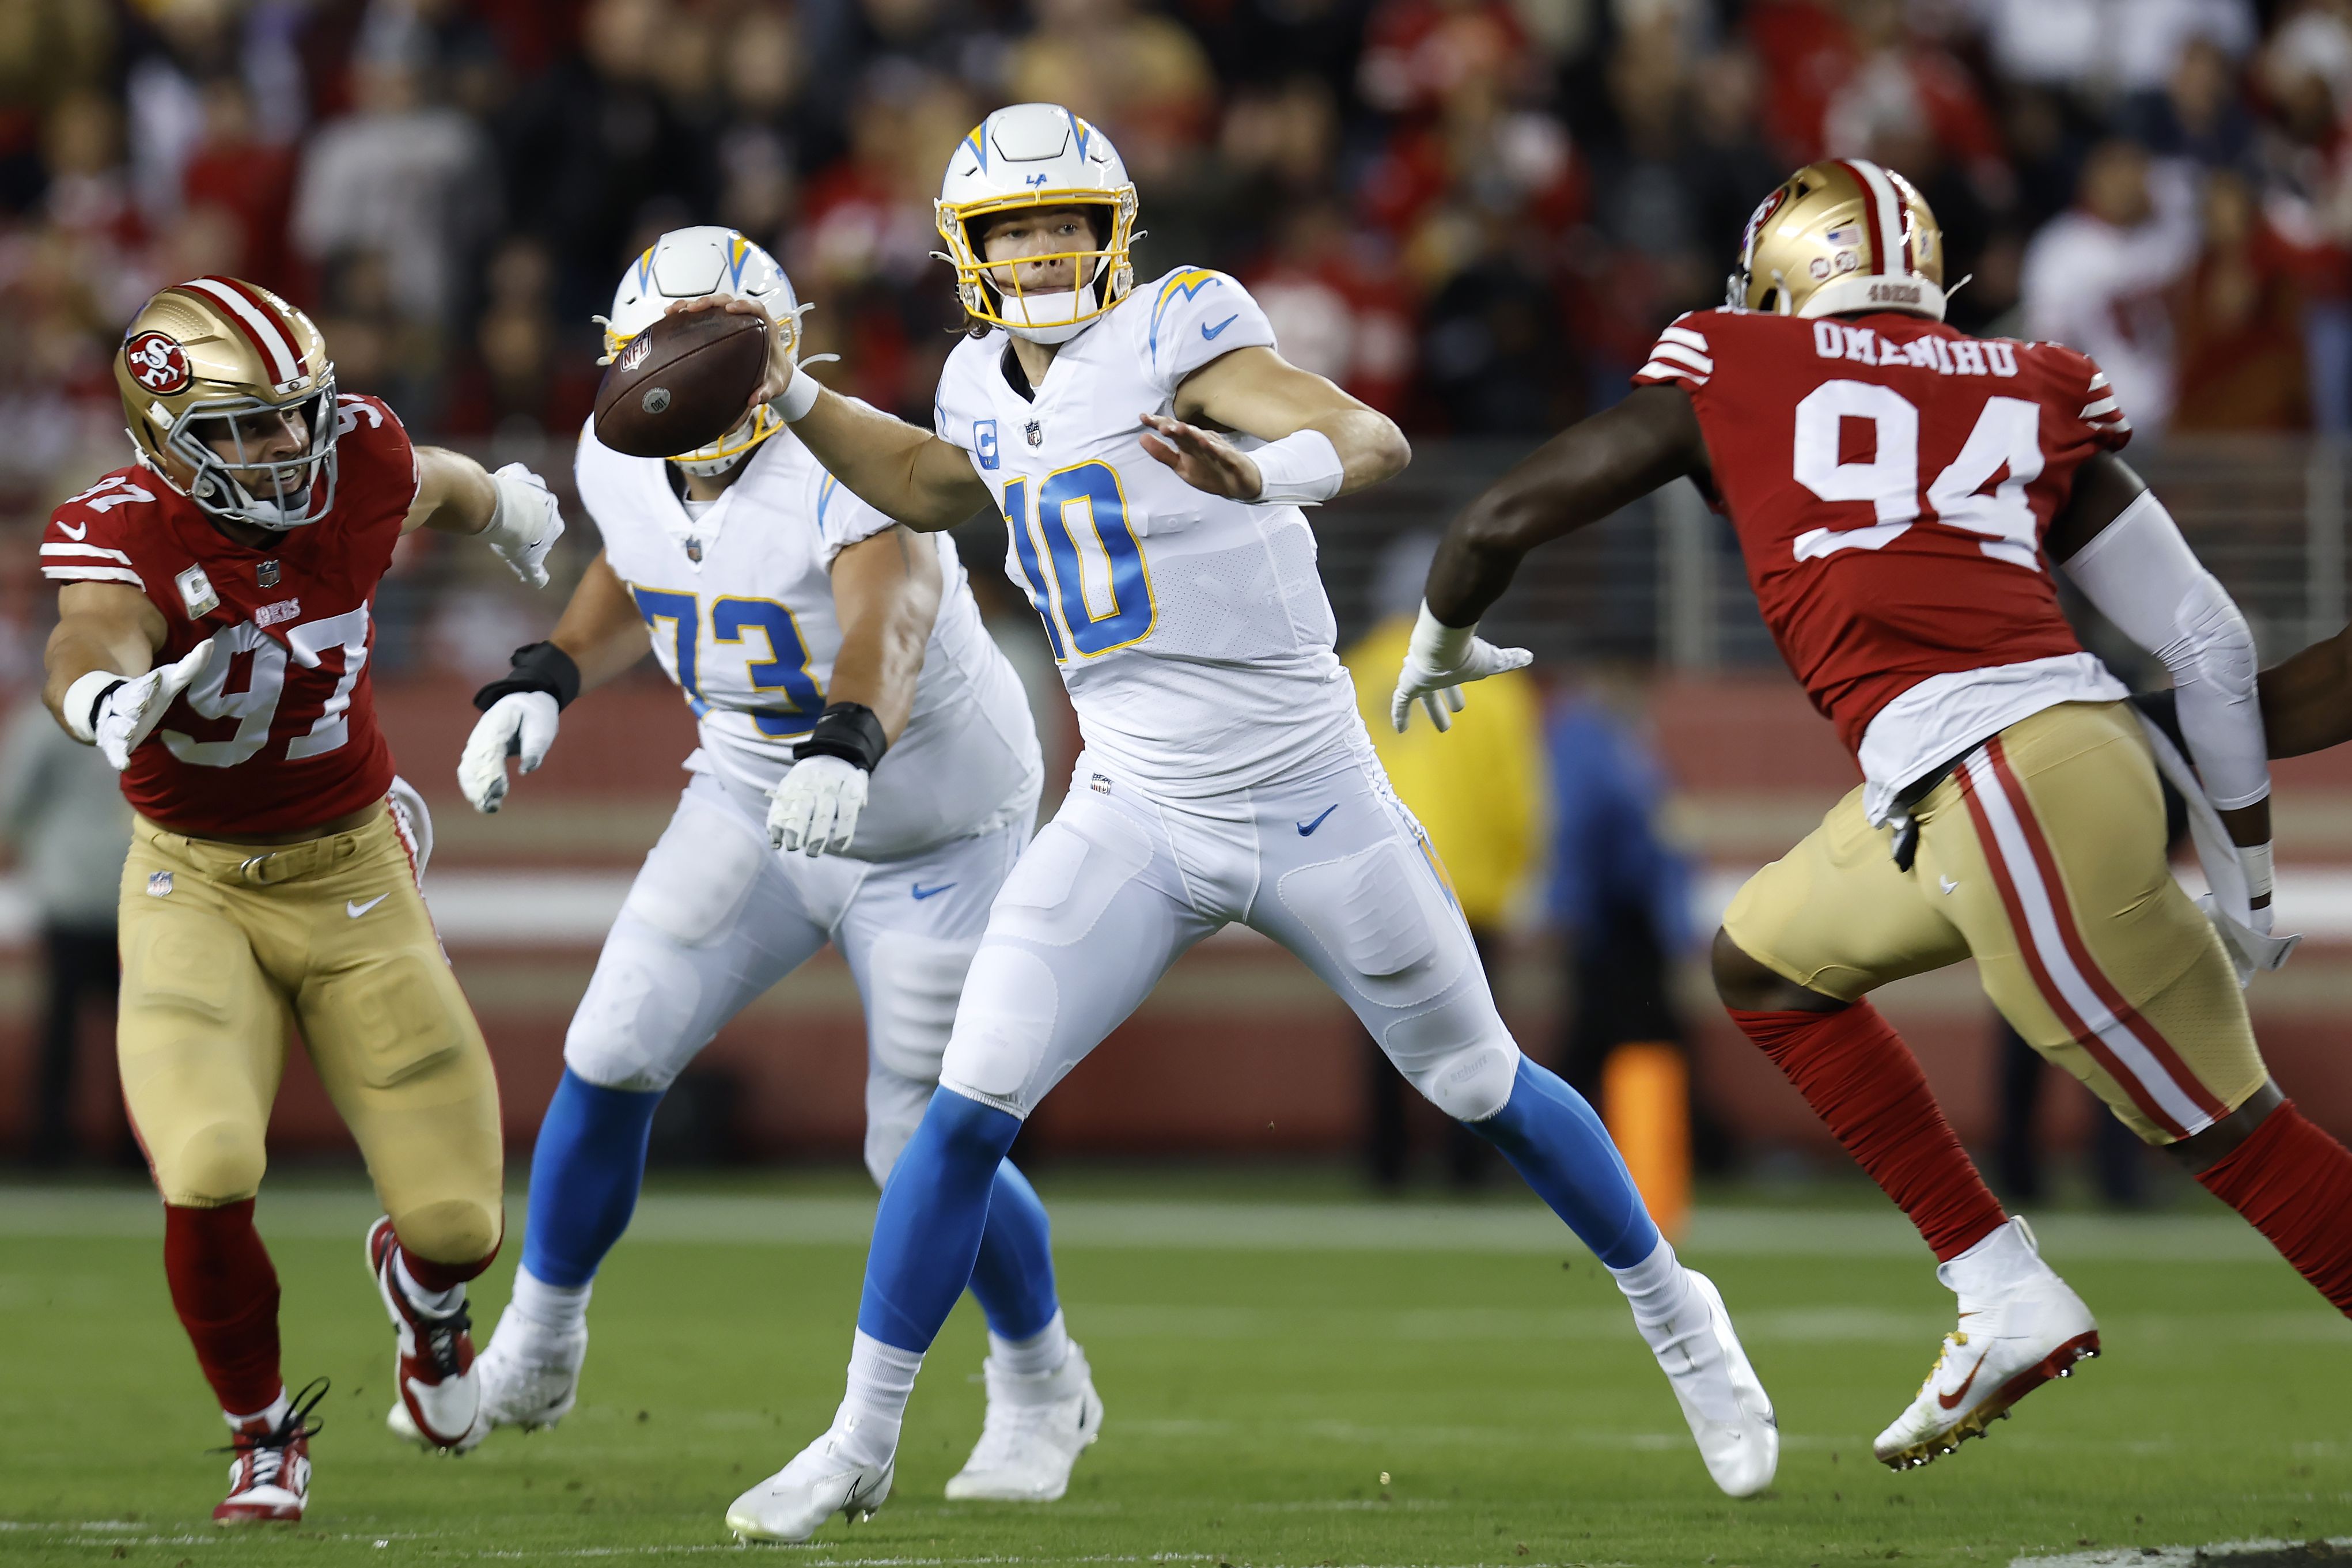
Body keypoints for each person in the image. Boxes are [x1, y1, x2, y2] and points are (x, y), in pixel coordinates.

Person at [709, 103, 1777, 1543]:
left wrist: (1259, 469)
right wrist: (785, 396)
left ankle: (1684, 1321)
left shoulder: (1180, 325)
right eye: (1016, 227)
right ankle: (859, 1434)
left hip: (1307, 791)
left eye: (1068, 223)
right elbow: (924, 480)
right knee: (960, 1111)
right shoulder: (970, 379)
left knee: (1475, 1080)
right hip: (1131, 801)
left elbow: (1367, 432)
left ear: (1114, 234)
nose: (1043, 249)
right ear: (967, 249)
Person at [1396, 158, 2352, 1473]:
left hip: (1997, 780)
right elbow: (2205, 638)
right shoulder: (2028, 378)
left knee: (2243, 1143)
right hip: (1992, 774)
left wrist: (1442, 629)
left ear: (1786, 276)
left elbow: (1498, 515)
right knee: (1766, 961)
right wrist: (2246, 871)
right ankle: (1998, 1279)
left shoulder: (1737, 359)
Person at [438, 227, 1094, 1504]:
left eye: (720, 347)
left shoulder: (840, 458)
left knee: (918, 1138)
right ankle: (541, 1335)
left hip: (929, 824)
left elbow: (885, 615)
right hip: (750, 786)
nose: (692, 374)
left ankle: (1041, 1379)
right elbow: (644, 575)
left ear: (788, 353)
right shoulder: (617, 450)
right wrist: (549, 677)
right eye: (667, 353)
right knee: (615, 1035)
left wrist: (846, 744)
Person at [39, 275, 565, 1521]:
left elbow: (422, 472)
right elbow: (92, 630)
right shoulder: (123, 526)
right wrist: (103, 698)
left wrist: (501, 504)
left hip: (352, 867)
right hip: (195, 880)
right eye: (248, 428)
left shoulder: (356, 456)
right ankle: (263, 1435)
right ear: (167, 438)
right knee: (210, 1157)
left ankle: (428, 1305)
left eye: (299, 414)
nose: (288, 449)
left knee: (460, 1220)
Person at [1339, 531, 1542, 1189]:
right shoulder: (1495, 681)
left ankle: (1387, 1166)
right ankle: (1468, 1166)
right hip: (1466, 888)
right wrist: (1511, 876)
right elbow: (1515, 800)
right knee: (1473, 1040)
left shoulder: (1351, 671)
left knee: (1386, 1034)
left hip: (1371, 883)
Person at [0, 695, 133, 1166]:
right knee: (142, 1025)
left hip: (71, 884)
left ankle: (51, 1141)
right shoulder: (151, 708)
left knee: (63, 1025)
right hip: (140, 883)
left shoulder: (44, 722)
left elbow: (13, 799)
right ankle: (138, 1145)